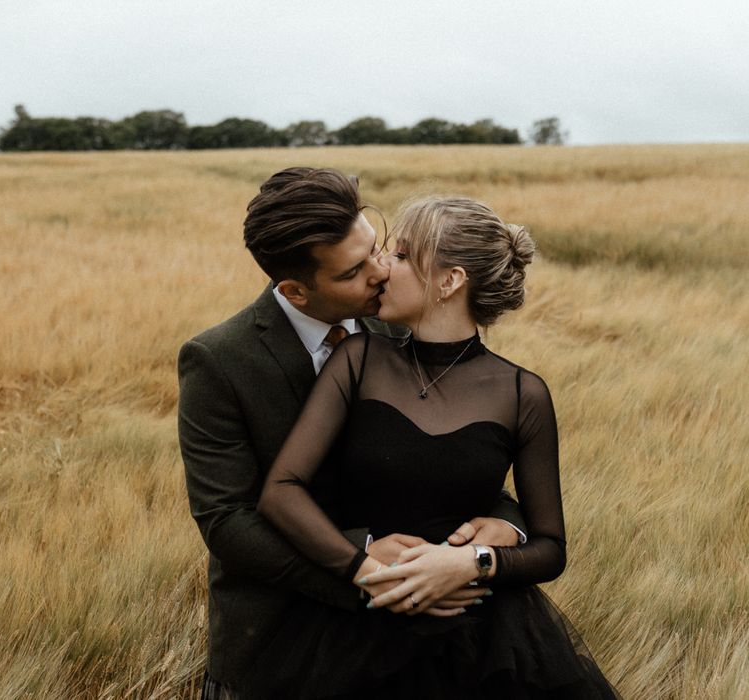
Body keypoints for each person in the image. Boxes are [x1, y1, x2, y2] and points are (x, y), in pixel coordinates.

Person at [178, 169, 528, 698]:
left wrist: (505, 525)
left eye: (377, 248)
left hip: (418, 645)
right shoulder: (219, 361)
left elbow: (459, 455)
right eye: (352, 272)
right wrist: (367, 566)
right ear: (295, 290)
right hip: (280, 645)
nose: (380, 272)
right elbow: (227, 522)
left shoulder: (400, 324)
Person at [254, 195, 620, 698]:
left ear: (448, 282)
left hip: (486, 638)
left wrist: (474, 563)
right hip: (360, 632)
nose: (383, 266)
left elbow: (550, 549)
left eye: (402, 256)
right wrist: (366, 572)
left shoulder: (521, 393)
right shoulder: (359, 359)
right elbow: (281, 490)